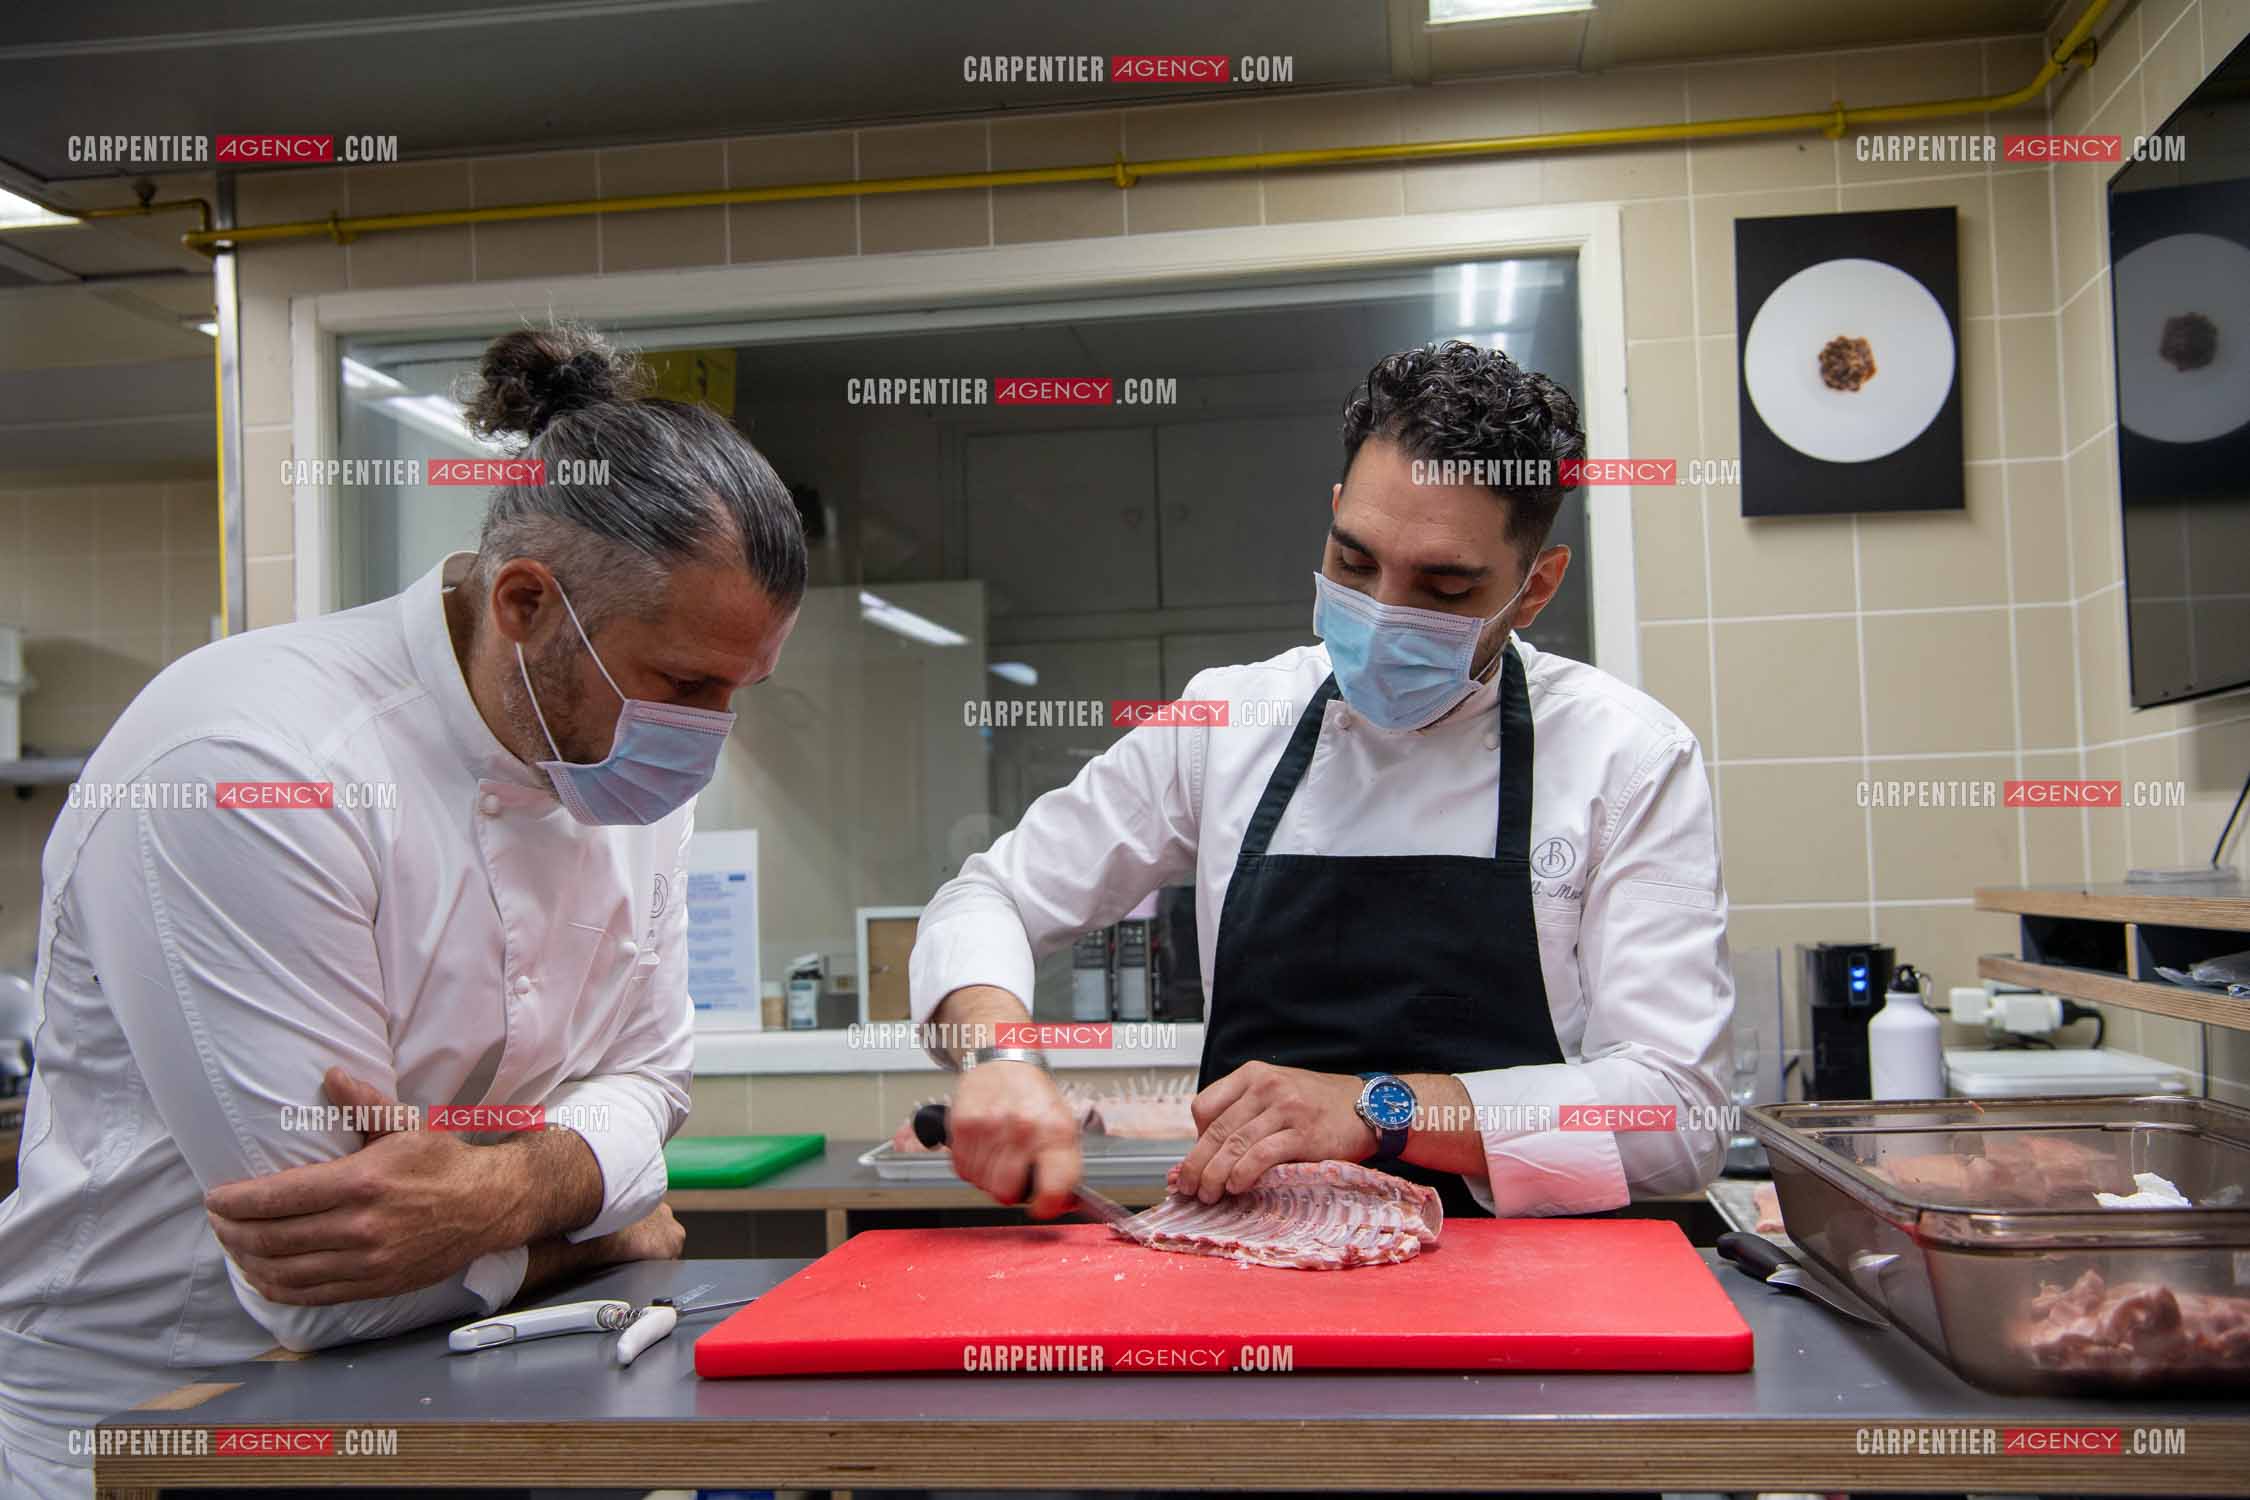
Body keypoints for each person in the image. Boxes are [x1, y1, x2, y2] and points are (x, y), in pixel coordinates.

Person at [0, 325, 805, 1499]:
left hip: (465, 1405)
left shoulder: (618, 758)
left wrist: (501, 1195)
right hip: (167, 1428)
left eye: (740, 689)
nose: (709, 732)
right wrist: (604, 1229)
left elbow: (653, 1084)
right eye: (688, 683)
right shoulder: (253, 763)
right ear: (526, 604)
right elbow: (337, 1290)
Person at [912, 340, 1732, 1226]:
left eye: (1444, 588)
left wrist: (1380, 1110)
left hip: (1524, 1311)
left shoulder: (1629, 757)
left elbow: (1676, 1112)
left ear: (1534, 589)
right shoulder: (1226, 725)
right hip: (1253, 1283)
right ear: (1335, 515)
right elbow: (987, 898)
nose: (1383, 614)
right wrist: (998, 1056)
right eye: (1354, 562)